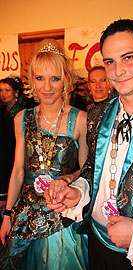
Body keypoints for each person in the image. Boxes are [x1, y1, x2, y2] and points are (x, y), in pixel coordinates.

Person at [46, 19, 133, 270]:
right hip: (97, 244)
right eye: (110, 62)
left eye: (128, 57)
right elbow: (93, 170)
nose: (118, 71)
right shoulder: (97, 115)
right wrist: (78, 191)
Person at [0, 38, 89, 270]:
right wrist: (8, 214)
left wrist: (67, 179)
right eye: (39, 78)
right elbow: (18, 170)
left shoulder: (79, 119)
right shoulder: (22, 118)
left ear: (66, 81)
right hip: (24, 215)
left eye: (55, 78)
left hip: (62, 214)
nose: (46, 87)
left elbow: (86, 170)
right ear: (31, 81)